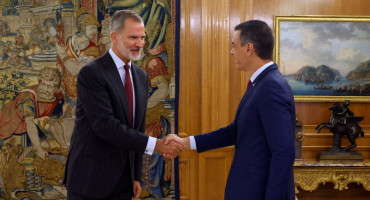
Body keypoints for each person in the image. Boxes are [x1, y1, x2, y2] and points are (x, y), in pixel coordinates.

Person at [167, 20, 296, 200]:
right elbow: (235, 132)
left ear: (249, 48)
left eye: (234, 46)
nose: (232, 51)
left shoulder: (270, 86)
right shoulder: (261, 84)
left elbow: (284, 152)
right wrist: (185, 142)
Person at [63, 10, 183, 200]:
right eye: (133, 37)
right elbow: (105, 126)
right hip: (90, 181)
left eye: (142, 38)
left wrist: (135, 176)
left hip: (123, 182)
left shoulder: (141, 76)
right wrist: (157, 145)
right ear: (114, 37)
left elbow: (137, 127)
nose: (140, 44)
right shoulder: (92, 73)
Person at [0, 67, 66, 159]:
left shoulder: (57, 99)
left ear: (55, 88)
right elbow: (29, 123)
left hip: (26, 121)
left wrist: (64, 147)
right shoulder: (28, 97)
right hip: (12, 119)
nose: (44, 89)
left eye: (49, 86)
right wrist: (39, 150)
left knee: (45, 146)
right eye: (42, 84)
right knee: (12, 154)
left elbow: (54, 124)